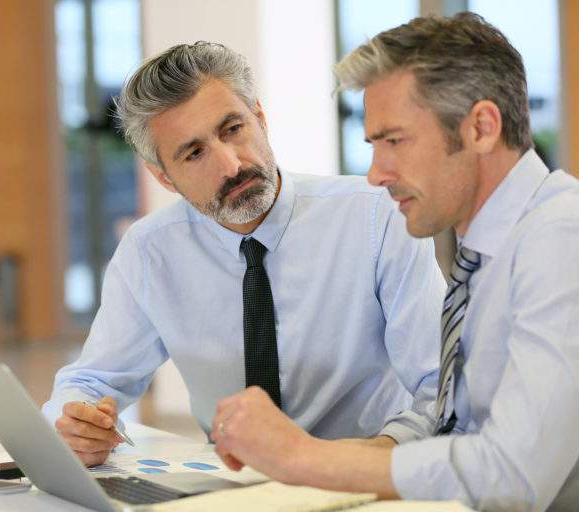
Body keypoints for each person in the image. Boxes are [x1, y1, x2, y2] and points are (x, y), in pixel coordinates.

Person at [211, 12, 579, 512]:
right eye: (372, 145)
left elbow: (511, 474)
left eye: (394, 141)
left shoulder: (561, 236)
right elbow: (459, 430)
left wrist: (304, 457)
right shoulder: (486, 252)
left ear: (482, 128)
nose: (375, 175)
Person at [42, 41, 446, 467]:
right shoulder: (150, 251)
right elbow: (90, 380)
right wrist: (78, 423)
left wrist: (375, 455)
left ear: (260, 117)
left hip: (363, 474)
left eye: (233, 128)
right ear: (164, 177)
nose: (231, 165)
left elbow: (441, 386)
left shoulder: (377, 216)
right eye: (194, 153)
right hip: (233, 485)